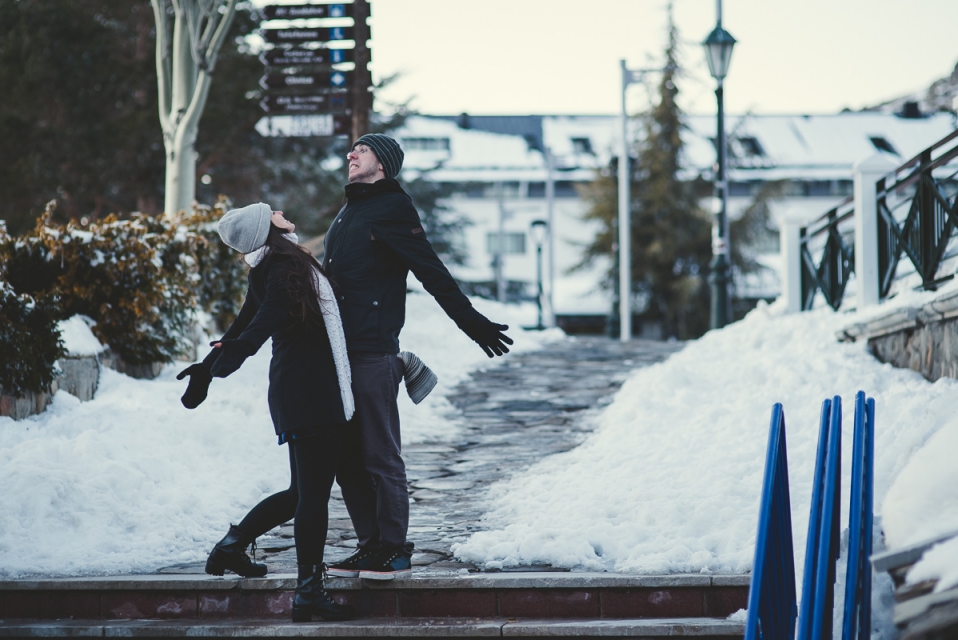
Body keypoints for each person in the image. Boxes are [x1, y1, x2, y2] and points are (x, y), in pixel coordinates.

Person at [323, 134, 513, 580]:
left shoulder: (392, 207)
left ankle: (394, 547)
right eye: (352, 150)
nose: (351, 155)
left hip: (372, 353)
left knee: (379, 456)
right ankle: (369, 544)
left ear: (383, 164)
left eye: (362, 151)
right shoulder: (350, 209)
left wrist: (473, 323)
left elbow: (431, 271)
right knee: (346, 460)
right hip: (339, 353)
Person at [176, 203, 354, 622]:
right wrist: (223, 361)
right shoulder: (282, 268)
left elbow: (242, 324)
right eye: (271, 212)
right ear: (266, 227)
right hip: (311, 393)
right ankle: (309, 593)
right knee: (312, 498)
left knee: (300, 493)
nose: (281, 211)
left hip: (304, 390)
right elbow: (261, 322)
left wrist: (210, 366)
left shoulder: (275, 265)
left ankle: (232, 547)